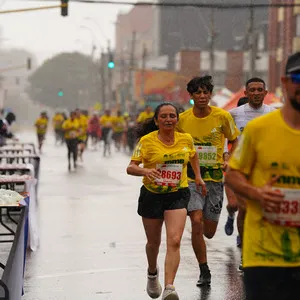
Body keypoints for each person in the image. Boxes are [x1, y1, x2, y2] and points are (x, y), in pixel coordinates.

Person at [225, 52, 300, 300]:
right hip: (264, 255)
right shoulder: (258, 129)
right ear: (285, 82)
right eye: (297, 77)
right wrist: (257, 193)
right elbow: (232, 175)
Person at [127, 103, 206, 300]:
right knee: (153, 243)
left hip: (177, 193)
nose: (168, 119)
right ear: (156, 120)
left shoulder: (186, 139)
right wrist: (145, 170)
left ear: (177, 120)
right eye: (164, 116)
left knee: (175, 240)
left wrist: (197, 176)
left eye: (172, 116)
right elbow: (131, 167)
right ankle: (152, 273)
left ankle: (169, 287)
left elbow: (193, 156)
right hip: (152, 194)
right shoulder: (146, 141)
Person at [176, 75, 240, 286]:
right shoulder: (183, 119)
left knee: (209, 232)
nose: (202, 96)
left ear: (210, 95)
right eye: (198, 93)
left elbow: (234, 140)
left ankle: (202, 234)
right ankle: (204, 270)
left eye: (206, 92)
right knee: (195, 220)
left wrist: (229, 158)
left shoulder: (222, 117)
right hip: (192, 178)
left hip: (214, 179)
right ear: (192, 96)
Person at [223, 78, 275, 270]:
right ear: (245, 93)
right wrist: (225, 155)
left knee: (266, 209)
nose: (256, 93)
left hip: (265, 169)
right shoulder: (234, 114)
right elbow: (222, 134)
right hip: (241, 169)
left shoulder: (273, 113)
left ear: (265, 92)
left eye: (259, 90)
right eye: (252, 90)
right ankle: (246, 253)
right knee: (243, 209)